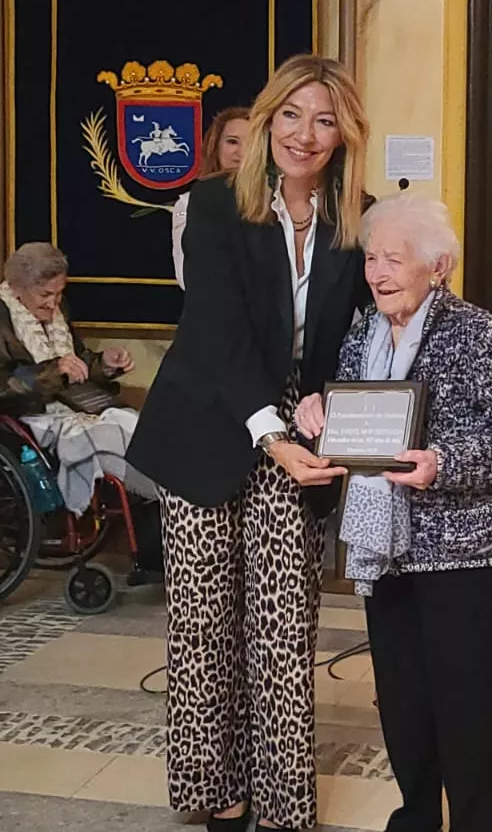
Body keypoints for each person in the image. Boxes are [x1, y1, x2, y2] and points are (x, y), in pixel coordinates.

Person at [125, 54, 373, 832]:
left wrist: (329, 401)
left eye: (325, 119)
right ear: (266, 121)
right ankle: (216, 792)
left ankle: (283, 804)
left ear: (344, 134)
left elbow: (351, 337)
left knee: (282, 625)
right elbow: (217, 332)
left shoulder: (354, 219)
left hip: (298, 439)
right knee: (203, 626)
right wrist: (269, 430)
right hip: (208, 430)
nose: (306, 134)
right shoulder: (212, 205)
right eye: (292, 115)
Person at [293, 195, 492, 831]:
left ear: (438, 266)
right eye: (372, 258)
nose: (377, 272)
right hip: (386, 547)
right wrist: (315, 415)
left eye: (393, 260)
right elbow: (347, 416)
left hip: (469, 552)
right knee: (403, 699)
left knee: (469, 703)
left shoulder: (474, 332)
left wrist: (443, 462)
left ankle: (473, 824)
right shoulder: (362, 332)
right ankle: (416, 817)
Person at [0, 242, 155, 510]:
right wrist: (53, 371)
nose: (53, 303)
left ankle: (166, 495)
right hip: (30, 416)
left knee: (143, 430)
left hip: (75, 407)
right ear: (17, 288)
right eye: (45, 294)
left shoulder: (57, 312)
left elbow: (75, 364)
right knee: (114, 442)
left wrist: (104, 364)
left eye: (59, 293)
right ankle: (167, 497)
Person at [173, 106, 250, 288]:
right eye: (232, 142)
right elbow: (188, 277)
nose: (242, 153)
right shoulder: (188, 204)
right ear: (215, 146)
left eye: (253, 143)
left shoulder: (278, 203)